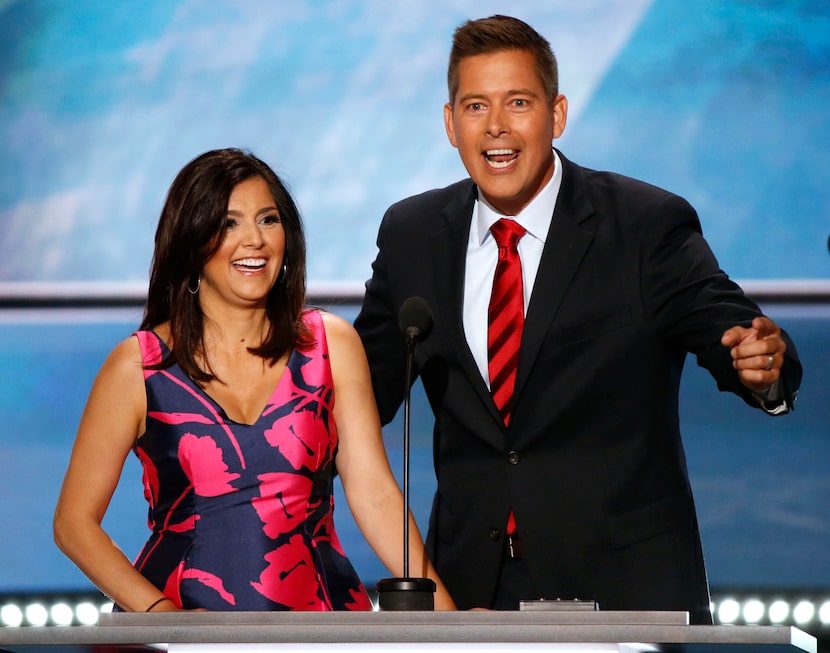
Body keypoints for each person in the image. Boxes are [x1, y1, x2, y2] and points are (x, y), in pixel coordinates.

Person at [354, 15, 802, 623]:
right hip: (468, 596)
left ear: (557, 114)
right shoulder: (413, 237)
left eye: (518, 103)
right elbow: (358, 392)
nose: (496, 128)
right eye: (476, 106)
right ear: (450, 123)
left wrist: (762, 367)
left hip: (622, 594)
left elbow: (731, 329)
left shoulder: (644, 225)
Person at [54, 148, 455, 612]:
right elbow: (73, 523)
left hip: (318, 625)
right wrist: (164, 618)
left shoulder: (330, 345)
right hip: (185, 632)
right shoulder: (139, 366)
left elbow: (375, 495)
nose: (255, 241)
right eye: (228, 224)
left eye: (268, 220)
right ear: (190, 241)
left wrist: (451, 626)